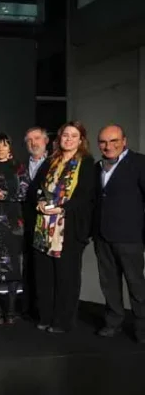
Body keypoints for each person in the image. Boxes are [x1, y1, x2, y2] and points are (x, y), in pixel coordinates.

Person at [33, 121, 96, 333]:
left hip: (68, 227)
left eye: (73, 136)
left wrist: (62, 208)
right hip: (44, 227)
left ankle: (62, 321)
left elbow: (85, 195)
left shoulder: (86, 163)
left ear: (81, 140)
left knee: (66, 277)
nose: (68, 139)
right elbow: (37, 188)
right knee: (45, 276)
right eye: (65, 135)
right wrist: (40, 201)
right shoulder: (51, 161)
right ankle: (46, 316)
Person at [92, 124, 145, 341]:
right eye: (103, 142)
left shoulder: (140, 163)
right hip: (102, 236)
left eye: (114, 141)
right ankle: (113, 322)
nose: (108, 146)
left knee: (136, 285)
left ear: (124, 141)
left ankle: (142, 328)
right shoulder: (96, 167)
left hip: (130, 237)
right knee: (109, 284)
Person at [0, 133, 29, 325]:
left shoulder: (19, 168)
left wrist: (1, 195)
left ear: (10, 148)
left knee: (14, 266)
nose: (1, 149)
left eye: (4, 145)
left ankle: (11, 309)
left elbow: (24, 192)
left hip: (14, 222)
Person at [22, 127, 50, 322]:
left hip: (48, 223)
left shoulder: (55, 163)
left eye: (37, 138)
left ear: (46, 140)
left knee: (45, 268)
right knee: (28, 266)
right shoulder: (21, 166)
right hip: (26, 223)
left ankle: (44, 310)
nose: (34, 143)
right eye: (30, 140)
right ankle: (28, 308)